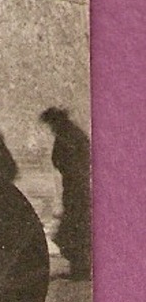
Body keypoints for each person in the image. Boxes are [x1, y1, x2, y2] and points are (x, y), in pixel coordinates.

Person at [40, 106, 91, 280]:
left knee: (73, 229)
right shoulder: (72, 134)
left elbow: (64, 161)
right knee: (74, 228)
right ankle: (79, 267)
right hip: (74, 187)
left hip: (76, 188)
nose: (50, 128)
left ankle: (80, 268)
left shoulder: (68, 136)